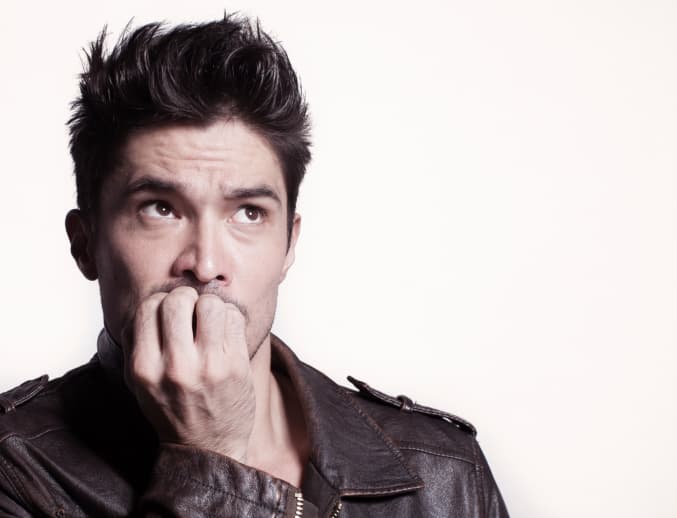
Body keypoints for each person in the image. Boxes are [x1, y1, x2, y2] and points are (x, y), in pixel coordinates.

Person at [0, 14, 508, 517]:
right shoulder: (14, 467)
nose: (205, 264)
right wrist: (209, 459)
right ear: (85, 244)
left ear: (289, 244)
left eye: (248, 213)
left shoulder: (446, 472)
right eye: (160, 208)